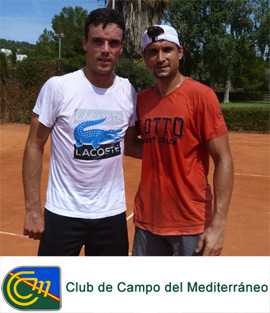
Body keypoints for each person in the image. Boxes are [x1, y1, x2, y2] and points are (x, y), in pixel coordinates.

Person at [22, 8, 139, 256]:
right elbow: (34, 145)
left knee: (107, 291)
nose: (105, 49)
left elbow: (129, 145)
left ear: (121, 47)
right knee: (50, 292)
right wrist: (33, 209)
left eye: (113, 43)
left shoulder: (128, 92)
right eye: (98, 41)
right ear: (85, 43)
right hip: (63, 213)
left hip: (111, 215)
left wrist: (180, 148)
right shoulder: (59, 88)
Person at [129, 25, 234, 256]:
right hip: (147, 221)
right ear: (144, 58)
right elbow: (130, 145)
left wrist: (219, 224)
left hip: (191, 222)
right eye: (152, 51)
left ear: (180, 52)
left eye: (167, 49)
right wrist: (161, 150)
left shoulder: (202, 96)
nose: (160, 57)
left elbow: (223, 158)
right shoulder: (141, 100)